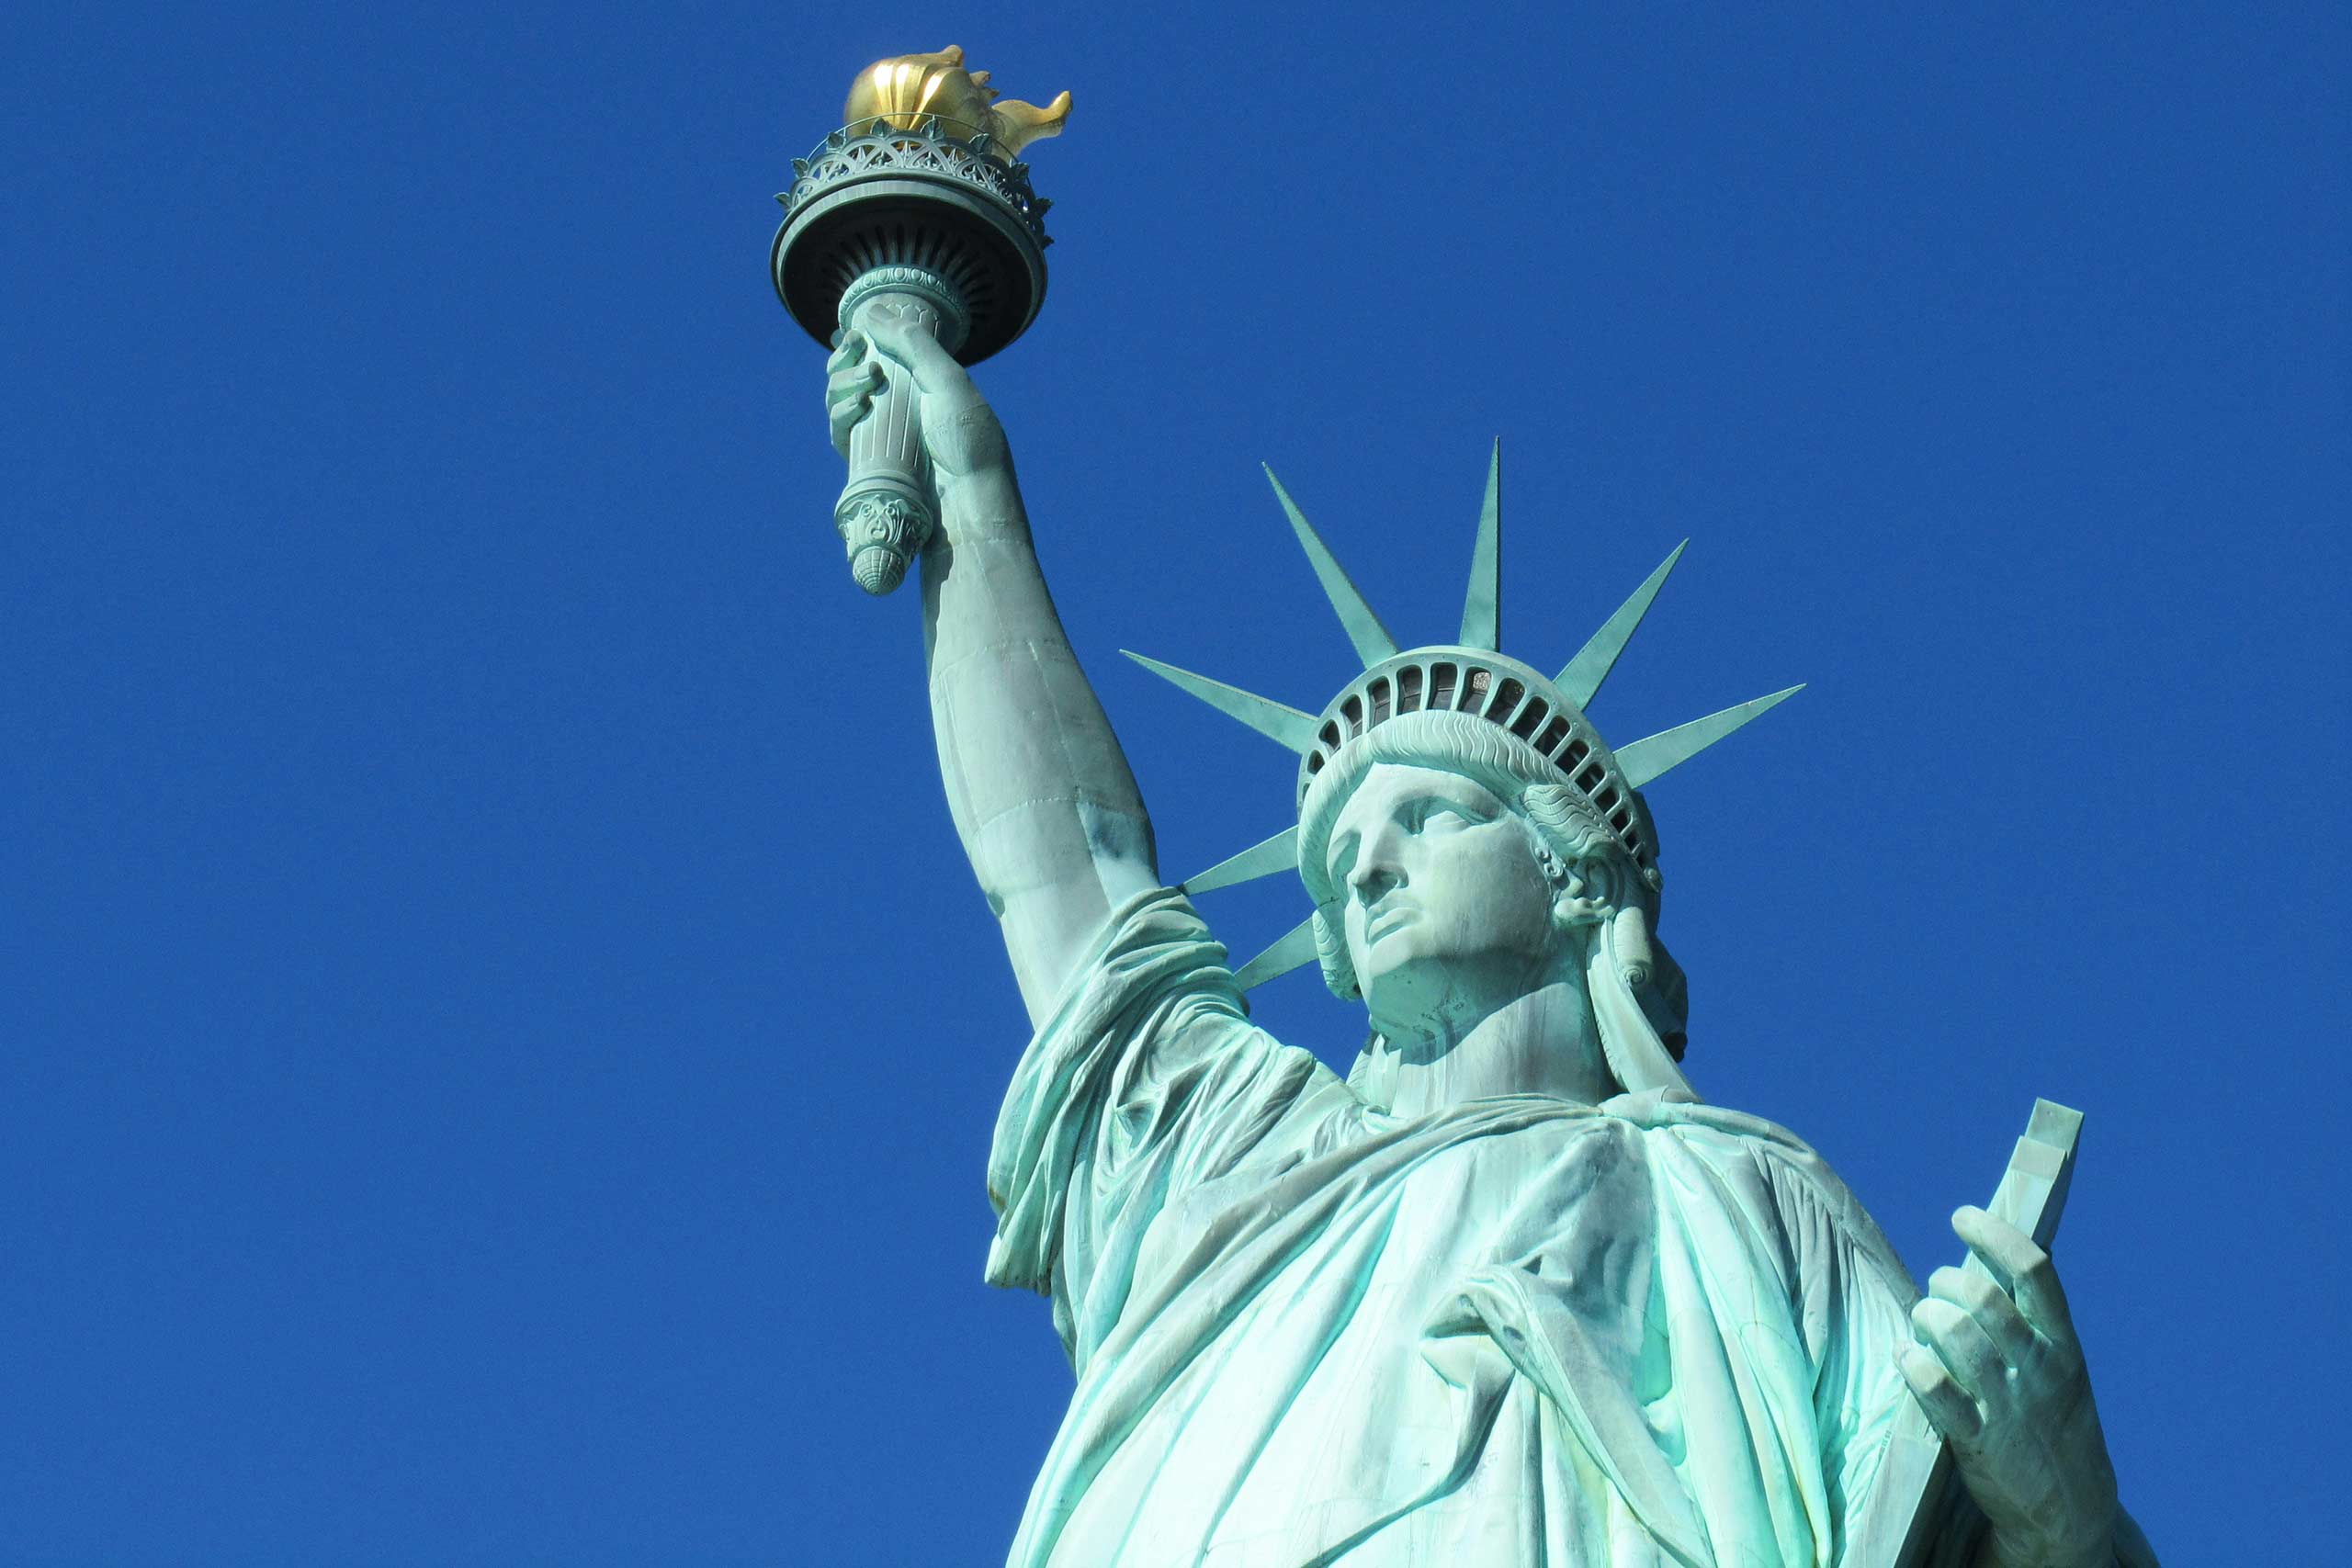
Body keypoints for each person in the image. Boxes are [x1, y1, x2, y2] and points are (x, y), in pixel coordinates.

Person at [824, 306, 2152, 1567]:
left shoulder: (1750, 1208)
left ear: (1574, 878)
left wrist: (2059, 1513)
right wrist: (977, 506)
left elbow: (1922, 1516)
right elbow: (1065, 869)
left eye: (1433, 815)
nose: (1369, 865)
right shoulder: (1239, 1163)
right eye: (1344, 851)